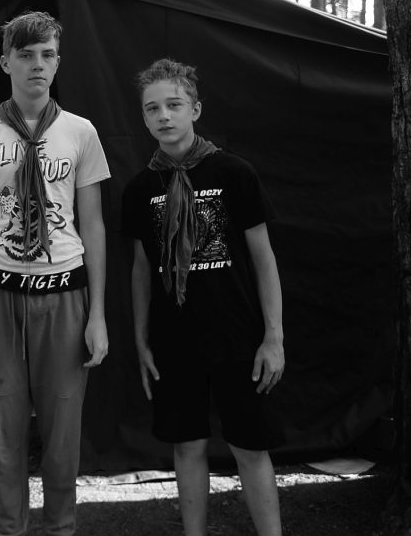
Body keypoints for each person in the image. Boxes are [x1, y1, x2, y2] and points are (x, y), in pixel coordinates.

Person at [0, 11, 111, 536]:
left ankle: (61, 527)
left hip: (65, 293)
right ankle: (8, 529)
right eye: (25, 55)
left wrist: (98, 315)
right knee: (4, 431)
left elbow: (93, 224)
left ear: (58, 62)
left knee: (63, 433)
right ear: (6, 63)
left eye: (47, 55)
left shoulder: (80, 132)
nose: (37, 65)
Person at [122, 58, 285, 536]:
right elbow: (140, 270)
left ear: (195, 109)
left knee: (250, 446)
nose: (164, 116)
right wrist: (141, 340)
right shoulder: (140, 189)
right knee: (187, 444)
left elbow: (264, 259)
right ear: (144, 117)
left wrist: (273, 337)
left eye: (174, 105)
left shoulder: (234, 173)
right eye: (152, 108)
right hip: (175, 340)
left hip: (237, 336)